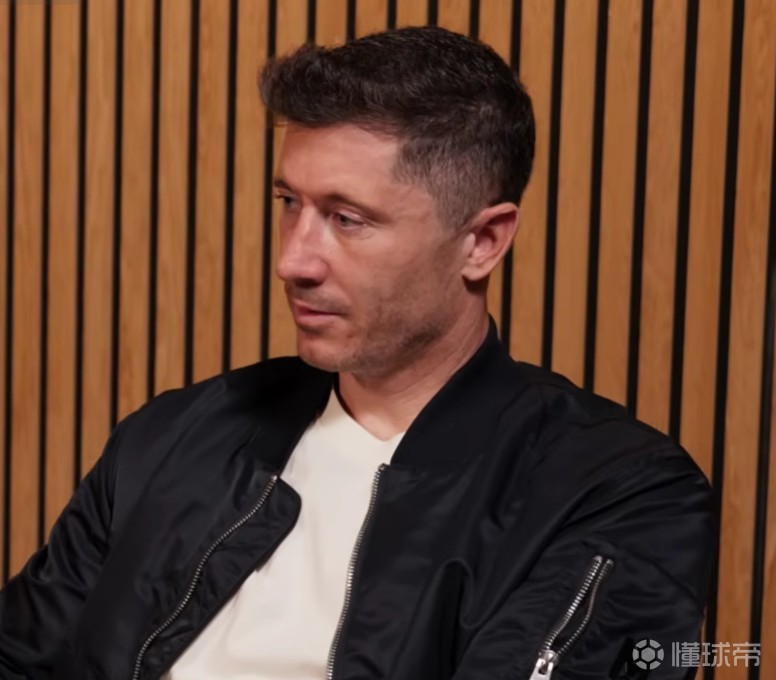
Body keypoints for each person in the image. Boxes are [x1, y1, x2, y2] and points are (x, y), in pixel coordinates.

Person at [0, 25, 713, 680]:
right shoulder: (175, 437)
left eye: (347, 219)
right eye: (289, 203)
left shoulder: (616, 492)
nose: (293, 261)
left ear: (482, 241)